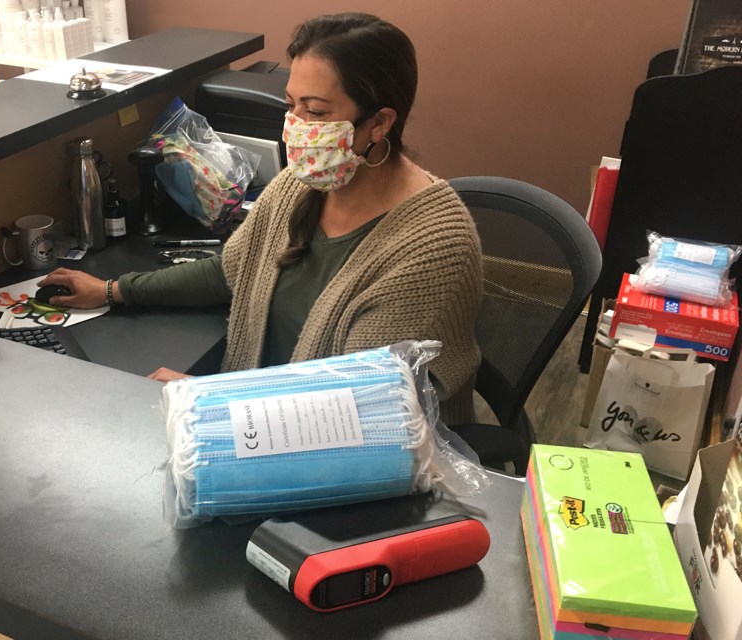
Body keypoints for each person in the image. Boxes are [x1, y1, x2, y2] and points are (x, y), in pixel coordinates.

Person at [39, 13, 483, 424]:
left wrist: (214, 401)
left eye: (317, 111)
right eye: (292, 105)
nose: (296, 125)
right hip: (261, 422)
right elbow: (231, 270)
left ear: (380, 123)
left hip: (357, 449)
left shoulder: (434, 244)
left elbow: (360, 405)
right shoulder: (299, 187)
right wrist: (113, 290)